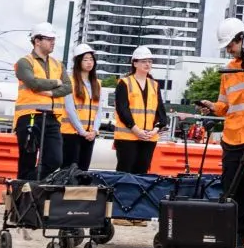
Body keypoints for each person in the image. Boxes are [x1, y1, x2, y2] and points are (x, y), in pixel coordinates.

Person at [205, 14, 244, 246]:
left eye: (231, 45)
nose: (229, 50)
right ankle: (239, 232)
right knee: (232, 188)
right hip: (233, 137)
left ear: (243, 38)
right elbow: (225, 105)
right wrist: (214, 107)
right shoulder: (228, 71)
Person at [13, 21, 68, 184]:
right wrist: (56, 82)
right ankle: (23, 195)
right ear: (37, 40)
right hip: (29, 117)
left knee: (55, 160)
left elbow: (68, 86)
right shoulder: (25, 62)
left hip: (52, 118)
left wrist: (50, 91)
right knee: (27, 160)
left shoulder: (58, 64)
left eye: (53, 39)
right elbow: (33, 84)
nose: (53, 42)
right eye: (49, 39)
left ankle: (27, 184)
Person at [112, 47, 166, 175]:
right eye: (143, 61)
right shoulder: (124, 83)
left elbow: (161, 112)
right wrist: (136, 130)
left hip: (149, 137)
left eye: (150, 61)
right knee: (124, 173)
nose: (147, 64)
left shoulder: (154, 84)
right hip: (127, 136)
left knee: (142, 173)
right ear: (135, 63)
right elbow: (122, 109)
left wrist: (155, 130)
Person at [60, 44, 102, 172]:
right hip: (71, 134)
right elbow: (69, 108)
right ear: (78, 62)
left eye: (91, 59)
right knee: (68, 171)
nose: (90, 62)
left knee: (83, 171)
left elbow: (99, 109)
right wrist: (82, 131)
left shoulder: (97, 83)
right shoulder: (70, 81)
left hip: (90, 135)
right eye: (85, 59)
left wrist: (94, 131)